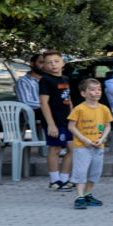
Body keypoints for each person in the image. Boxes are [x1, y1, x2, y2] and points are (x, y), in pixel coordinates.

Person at [67, 79, 113, 209]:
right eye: (92, 89)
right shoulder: (79, 109)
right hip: (82, 147)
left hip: (98, 146)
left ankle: (88, 194)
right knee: (81, 172)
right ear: (83, 93)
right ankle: (79, 196)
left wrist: (102, 138)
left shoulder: (104, 109)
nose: (96, 92)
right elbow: (71, 126)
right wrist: (84, 140)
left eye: (98, 89)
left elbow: (107, 125)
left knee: (95, 172)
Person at [37, 51, 74, 191]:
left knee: (72, 148)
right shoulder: (45, 80)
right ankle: (54, 180)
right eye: (49, 62)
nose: (53, 64)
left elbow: (68, 99)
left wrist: (73, 117)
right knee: (55, 149)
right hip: (54, 121)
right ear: (44, 65)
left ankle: (64, 179)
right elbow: (44, 103)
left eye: (56, 61)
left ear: (63, 63)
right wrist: (51, 124)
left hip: (67, 120)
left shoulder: (65, 79)